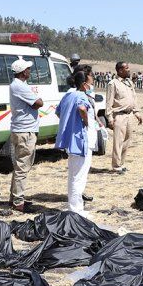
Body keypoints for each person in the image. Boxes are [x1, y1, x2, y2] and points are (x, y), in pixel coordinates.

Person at [56, 69, 96, 215]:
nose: (92, 83)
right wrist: (84, 122)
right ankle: (76, 209)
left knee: (74, 174)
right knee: (79, 176)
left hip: (73, 139)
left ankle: (74, 207)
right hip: (81, 140)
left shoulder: (68, 95)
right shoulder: (80, 96)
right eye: (91, 81)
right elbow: (81, 108)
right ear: (84, 84)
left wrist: (69, 124)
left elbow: (59, 112)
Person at [8, 59, 44, 212]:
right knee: (22, 167)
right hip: (25, 131)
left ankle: (14, 197)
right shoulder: (19, 87)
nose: (30, 71)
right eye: (28, 69)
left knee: (19, 166)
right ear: (23, 72)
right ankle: (18, 201)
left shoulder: (17, 85)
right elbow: (39, 102)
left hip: (20, 129)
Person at [106, 61, 143, 173]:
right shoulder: (113, 84)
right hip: (119, 116)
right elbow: (109, 103)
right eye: (126, 68)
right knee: (118, 142)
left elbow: (133, 98)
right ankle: (116, 166)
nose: (129, 69)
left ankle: (121, 164)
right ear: (120, 70)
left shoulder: (129, 83)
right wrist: (110, 118)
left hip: (129, 115)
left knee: (126, 141)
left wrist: (137, 113)